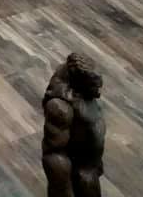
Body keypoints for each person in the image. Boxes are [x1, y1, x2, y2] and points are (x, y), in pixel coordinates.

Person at [42, 53, 105, 197]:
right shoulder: (60, 109)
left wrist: (95, 162)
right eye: (94, 87)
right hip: (75, 166)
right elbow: (54, 154)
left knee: (88, 183)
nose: (99, 93)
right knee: (86, 182)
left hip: (87, 162)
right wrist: (63, 187)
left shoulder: (86, 99)